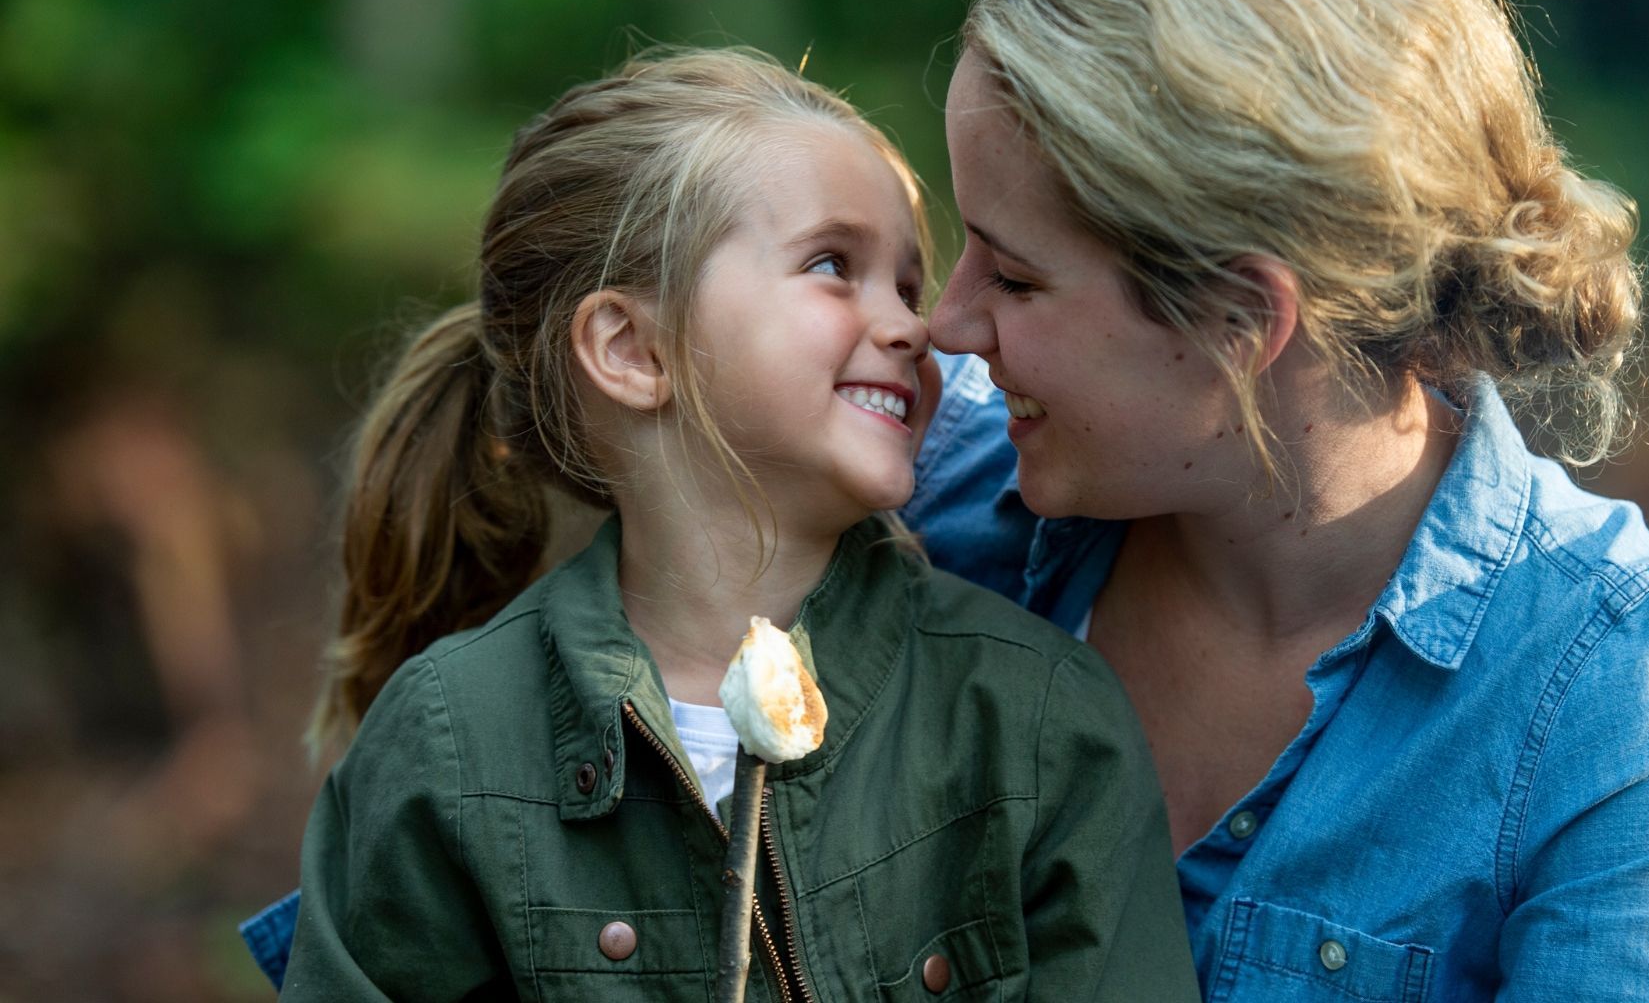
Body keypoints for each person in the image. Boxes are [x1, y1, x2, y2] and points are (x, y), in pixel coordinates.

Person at [904, 0, 1649, 998]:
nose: (948, 323)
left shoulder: (1606, 682)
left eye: (1016, 280)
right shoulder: (928, 506)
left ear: (1243, 318)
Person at [257, 49, 1199, 1002]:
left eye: (908, 287)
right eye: (834, 266)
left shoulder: (1035, 723)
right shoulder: (448, 743)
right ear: (633, 348)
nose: (919, 329)